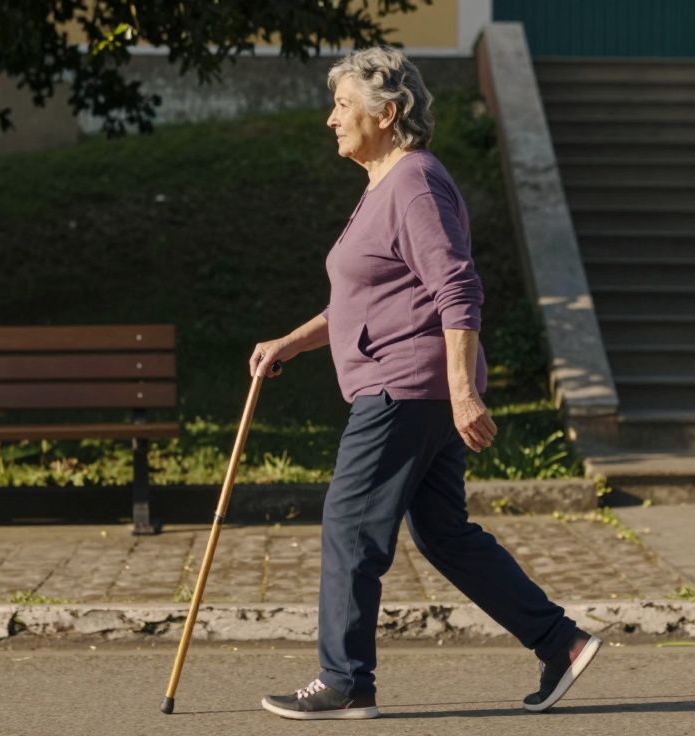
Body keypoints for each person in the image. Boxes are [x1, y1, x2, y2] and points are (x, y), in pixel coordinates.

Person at [248, 45, 600, 721]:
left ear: (387, 113)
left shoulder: (413, 181)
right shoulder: (388, 186)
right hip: (415, 386)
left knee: (350, 525)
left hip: (407, 386)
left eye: (344, 104)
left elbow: (457, 285)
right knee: (443, 533)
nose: (331, 119)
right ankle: (561, 642)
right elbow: (365, 299)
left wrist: (463, 388)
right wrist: (288, 343)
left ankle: (345, 679)